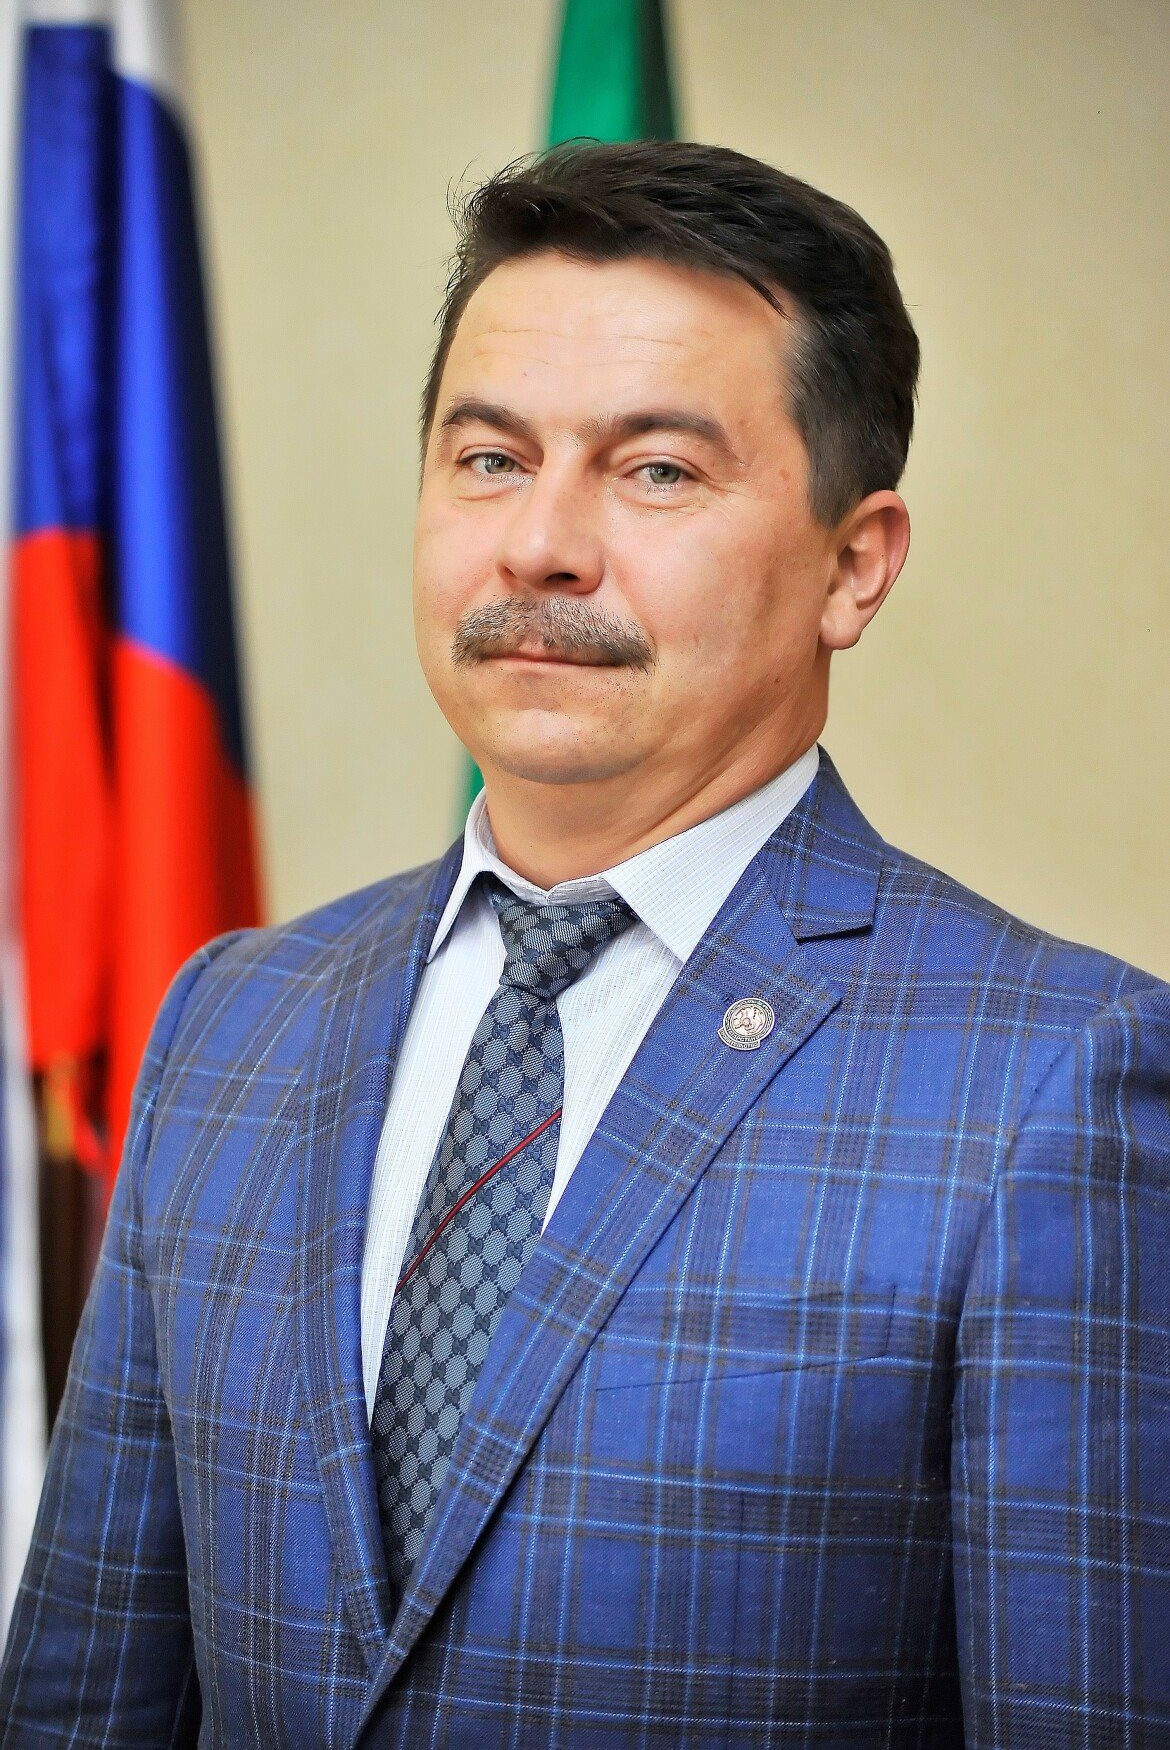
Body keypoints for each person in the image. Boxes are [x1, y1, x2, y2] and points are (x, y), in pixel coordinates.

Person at [2, 139, 1167, 1748]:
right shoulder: (234, 1018)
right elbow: (85, 1696)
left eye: (656, 471)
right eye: (488, 457)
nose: (538, 545)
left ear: (853, 564)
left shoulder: (1051, 1083)